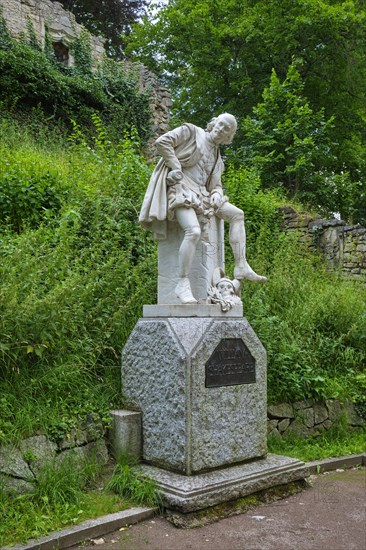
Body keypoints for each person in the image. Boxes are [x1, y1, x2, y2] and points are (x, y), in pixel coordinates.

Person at [139, 113, 266, 304]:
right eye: (221, 125)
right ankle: (182, 283)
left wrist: (216, 193)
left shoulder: (217, 158)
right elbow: (162, 141)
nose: (221, 130)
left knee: (237, 215)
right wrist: (175, 167)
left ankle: (241, 265)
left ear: (228, 138)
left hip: (203, 196)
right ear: (214, 123)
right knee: (193, 231)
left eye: (226, 130)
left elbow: (216, 185)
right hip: (181, 190)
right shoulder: (191, 132)